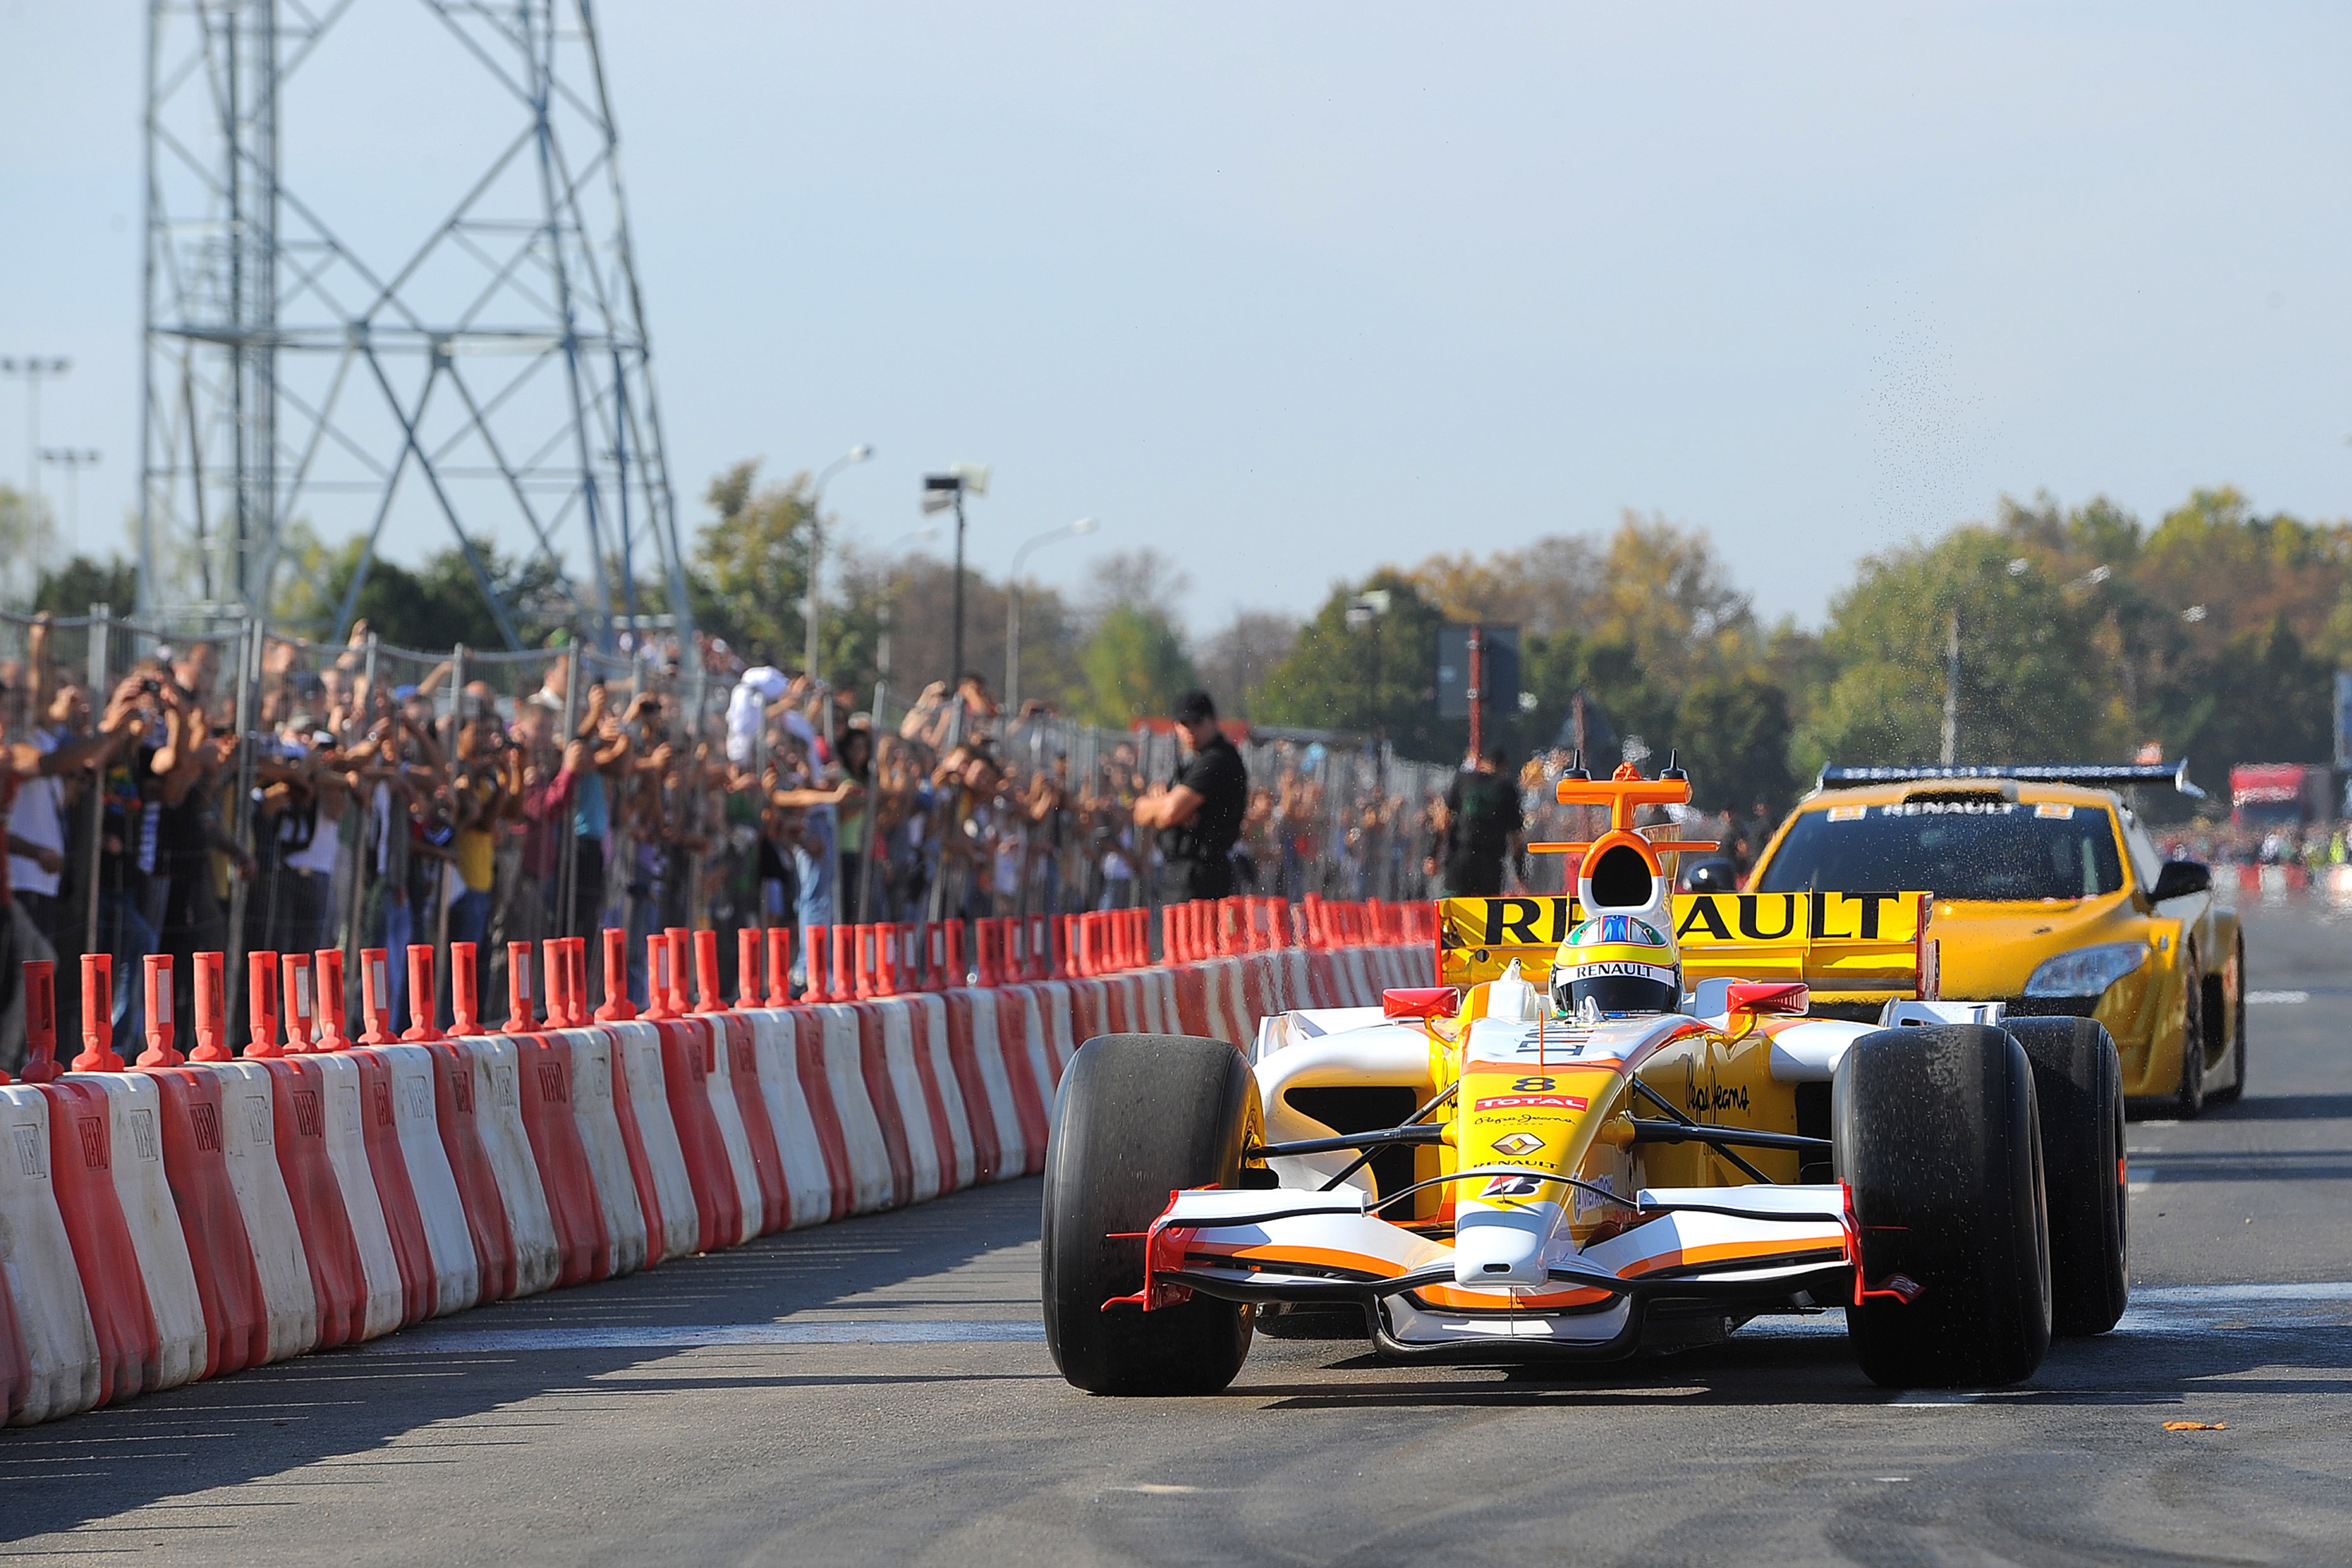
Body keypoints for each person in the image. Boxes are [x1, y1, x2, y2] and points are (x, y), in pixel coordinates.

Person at [1133, 689, 1247, 903]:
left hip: (1203, 874)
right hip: (1179, 872)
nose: (1190, 731)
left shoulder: (1218, 759)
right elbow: (1139, 812)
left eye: (1197, 723)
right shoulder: (1191, 762)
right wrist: (1161, 803)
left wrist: (1163, 808)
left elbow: (1170, 812)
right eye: (1184, 724)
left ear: (1213, 721)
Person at [1435, 744, 1524, 896]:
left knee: (1453, 905)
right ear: (1503, 767)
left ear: (1482, 762)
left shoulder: (1463, 780)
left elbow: (1443, 820)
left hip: (1460, 857)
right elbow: (1516, 838)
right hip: (1490, 862)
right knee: (1487, 907)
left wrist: (1433, 854)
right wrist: (1519, 872)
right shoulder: (1507, 788)